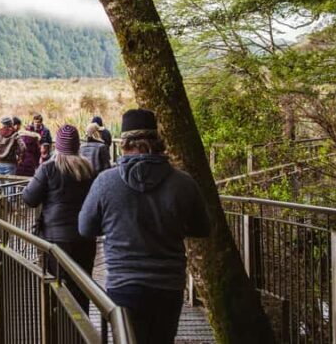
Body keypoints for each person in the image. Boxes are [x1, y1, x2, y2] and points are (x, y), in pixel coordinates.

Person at [79, 109, 210, 344]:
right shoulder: (183, 183)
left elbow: (85, 228)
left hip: (123, 284)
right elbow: (202, 228)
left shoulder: (106, 182)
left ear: (124, 143)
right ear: (157, 141)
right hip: (168, 285)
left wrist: (113, 224)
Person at [22, 124, 96, 311]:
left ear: (58, 146)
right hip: (85, 236)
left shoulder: (48, 169)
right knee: (82, 286)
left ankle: (58, 328)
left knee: (57, 287)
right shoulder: (89, 169)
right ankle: (82, 332)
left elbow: (30, 199)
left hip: (56, 240)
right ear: (77, 145)